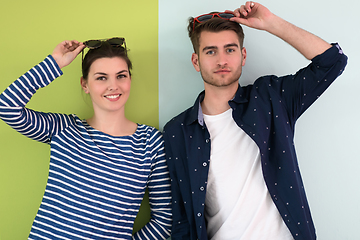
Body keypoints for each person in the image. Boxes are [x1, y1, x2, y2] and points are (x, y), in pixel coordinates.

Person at [163, 1, 347, 240]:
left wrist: (271, 23)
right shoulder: (178, 131)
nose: (221, 60)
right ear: (196, 61)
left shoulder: (270, 99)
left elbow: (333, 62)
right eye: (210, 51)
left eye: (230, 49)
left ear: (243, 55)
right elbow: (182, 220)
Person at [0, 38, 172, 239]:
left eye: (121, 76)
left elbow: (164, 220)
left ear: (130, 80)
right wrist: (54, 62)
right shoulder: (63, 129)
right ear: (85, 84)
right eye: (101, 78)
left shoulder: (151, 143)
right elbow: (7, 107)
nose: (113, 86)